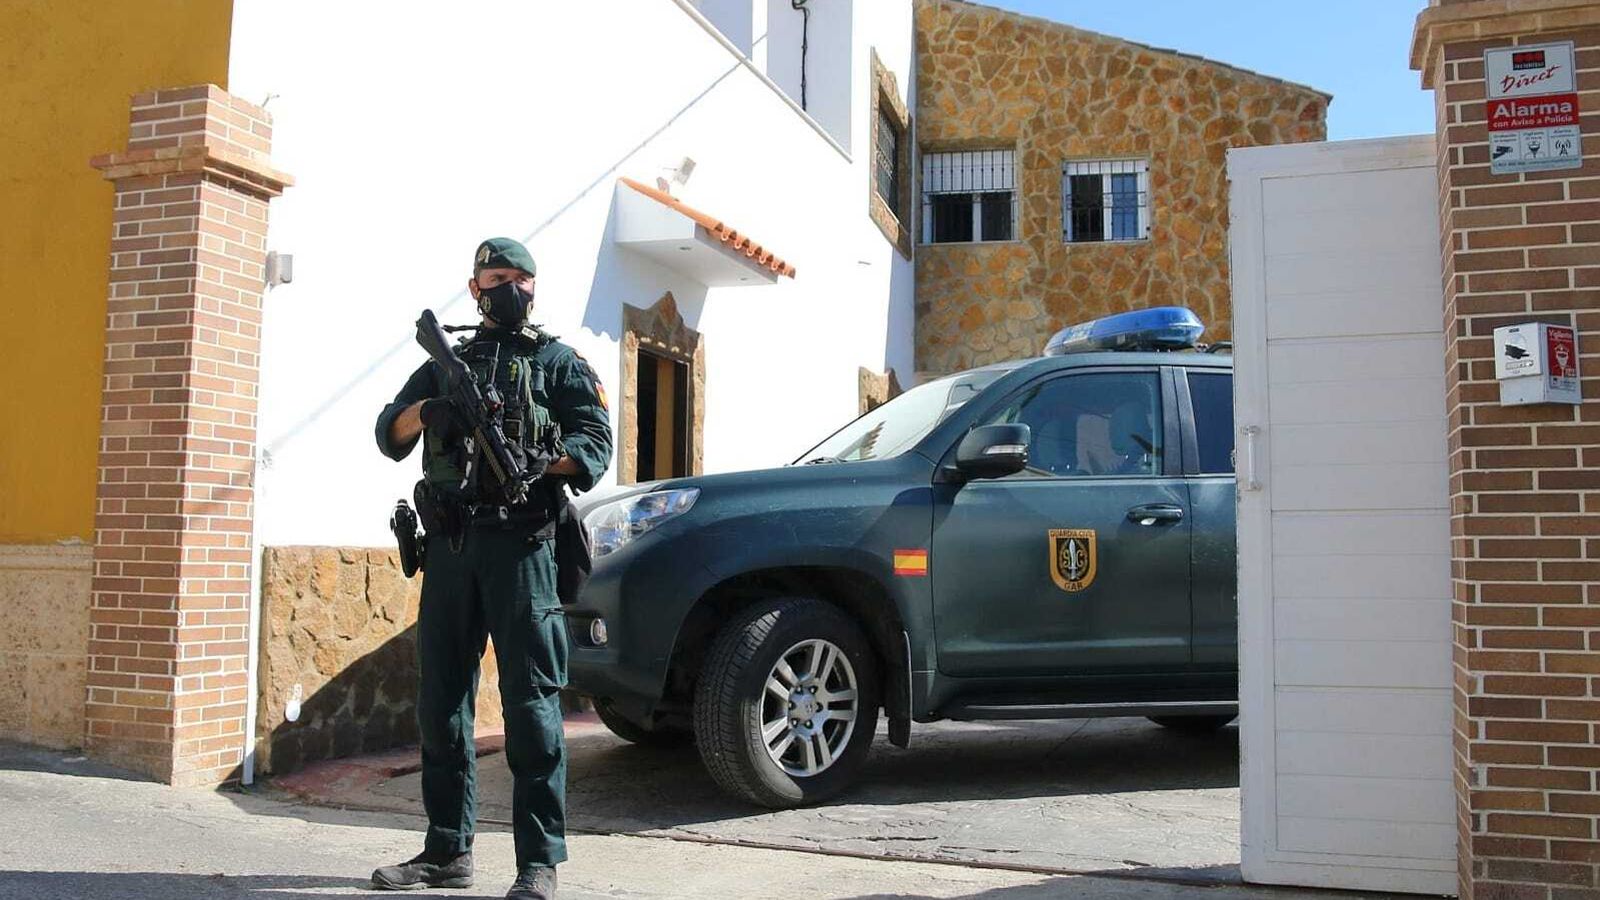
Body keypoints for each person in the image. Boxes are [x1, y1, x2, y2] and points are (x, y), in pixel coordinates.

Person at [370, 237, 612, 900]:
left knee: (531, 708)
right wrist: (433, 411)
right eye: (497, 277)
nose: (511, 288)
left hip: (524, 547)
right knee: (441, 705)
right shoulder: (450, 363)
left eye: (521, 279)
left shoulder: (557, 361)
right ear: (475, 287)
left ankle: (539, 862)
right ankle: (446, 851)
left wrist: (541, 458)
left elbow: (595, 443)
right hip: (450, 548)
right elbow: (388, 433)